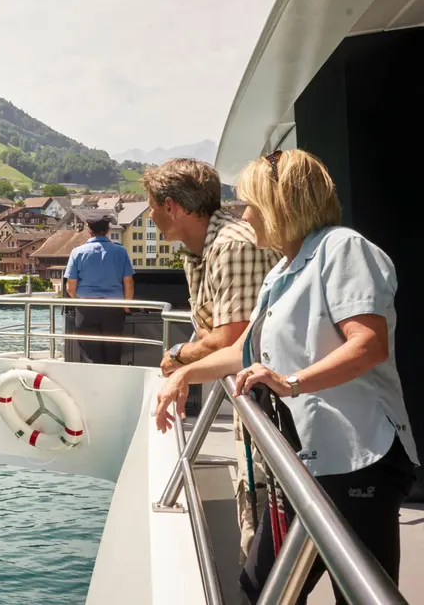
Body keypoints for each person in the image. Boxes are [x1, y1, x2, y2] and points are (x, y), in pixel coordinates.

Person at [154, 150, 418, 603]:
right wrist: (186, 374)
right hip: (303, 461)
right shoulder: (281, 270)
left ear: (282, 203)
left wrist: (291, 382)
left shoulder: (343, 249)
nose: (244, 215)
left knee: (359, 592)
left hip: (359, 456)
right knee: (258, 585)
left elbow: (369, 344)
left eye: (251, 204)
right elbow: (244, 350)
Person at [141, 158, 280, 561]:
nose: (149, 217)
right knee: (255, 515)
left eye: (151, 207)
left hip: (270, 403)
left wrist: (176, 357)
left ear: (172, 207)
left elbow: (231, 339)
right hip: (252, 394)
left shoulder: (232, 245)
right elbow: (212, 336)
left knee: (264, 525)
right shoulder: (199, 249)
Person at [63, 214, 135, 365]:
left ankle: (94, 387)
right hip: (114, 308)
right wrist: (126, 306)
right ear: (108, 230)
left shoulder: (77, 252)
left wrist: (79, 303)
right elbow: (128, 283)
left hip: (87, 309)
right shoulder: (121, 252)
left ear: (89, 231)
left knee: (90, 355)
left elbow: (70, 287)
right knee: (113, 353)